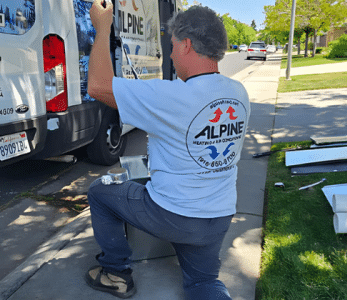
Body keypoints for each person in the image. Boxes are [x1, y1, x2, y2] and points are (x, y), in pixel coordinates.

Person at [84, 1, 250, 299]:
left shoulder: (172, 96)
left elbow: (97, 85)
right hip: (218, 217)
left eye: (172, 45)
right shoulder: (237, 92)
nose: (170, 53)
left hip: (174, 215)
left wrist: (103, 27)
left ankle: (115, 272)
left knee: (100, 192)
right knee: (204, 284)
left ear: (186, 45)